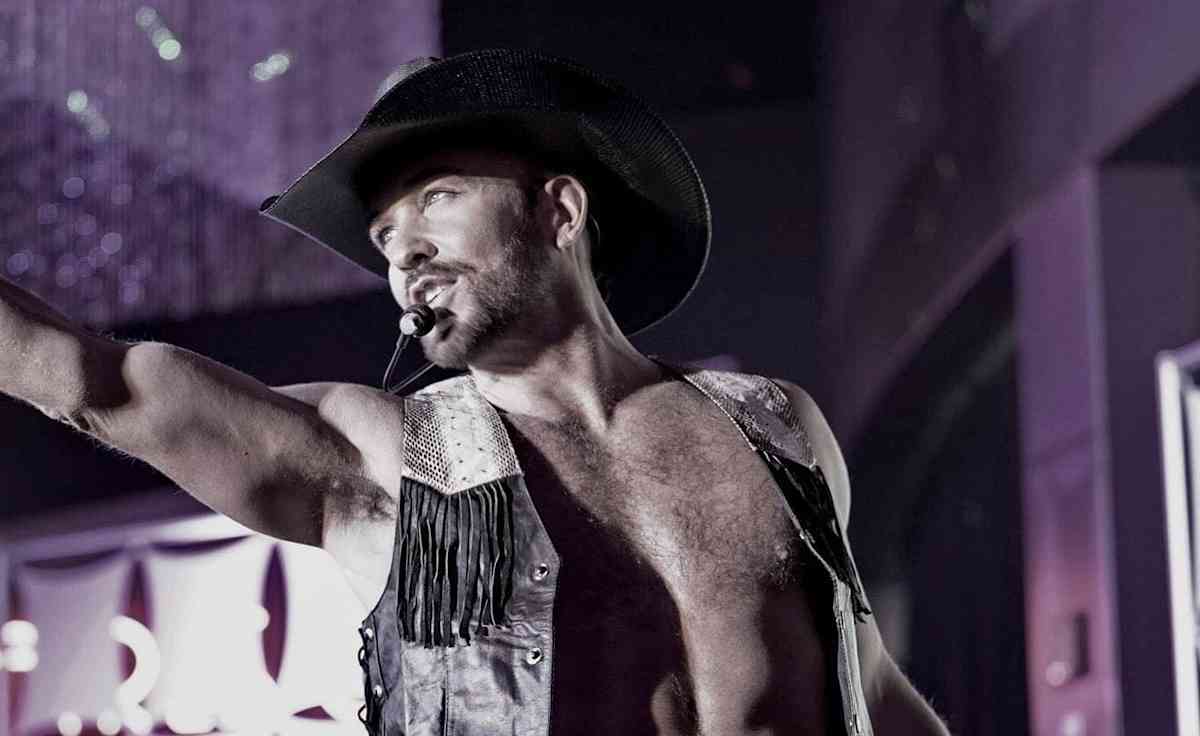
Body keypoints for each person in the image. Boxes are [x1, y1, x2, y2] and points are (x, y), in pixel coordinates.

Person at [0, 50, 950, 735]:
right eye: (383, 236)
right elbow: (95, 381)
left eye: (437, 197)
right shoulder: (379, 453)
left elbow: (870, 688)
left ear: (560, 211)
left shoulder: (774, 427)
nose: (404, 249)